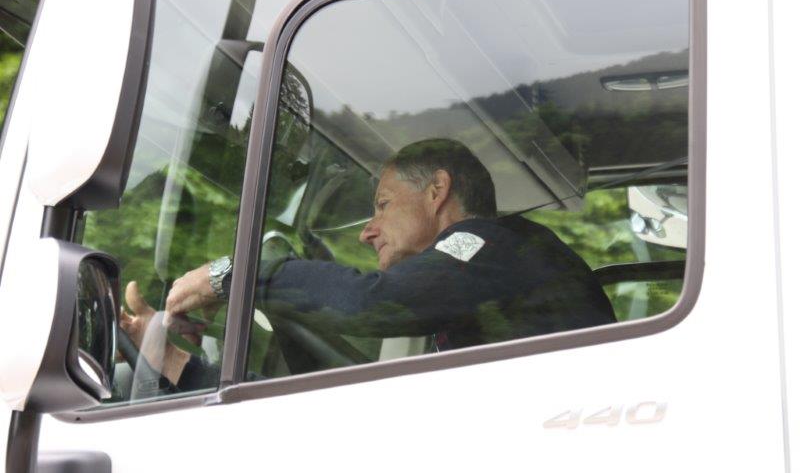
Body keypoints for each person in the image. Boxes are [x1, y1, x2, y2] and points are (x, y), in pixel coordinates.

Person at [120, 139, 617, 389]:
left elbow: (372, 303)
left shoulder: (492, 244)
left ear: (437, 190)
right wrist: (170, 360)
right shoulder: (476, 278)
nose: (367, 230)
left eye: (382, 205)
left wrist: (237, 275)